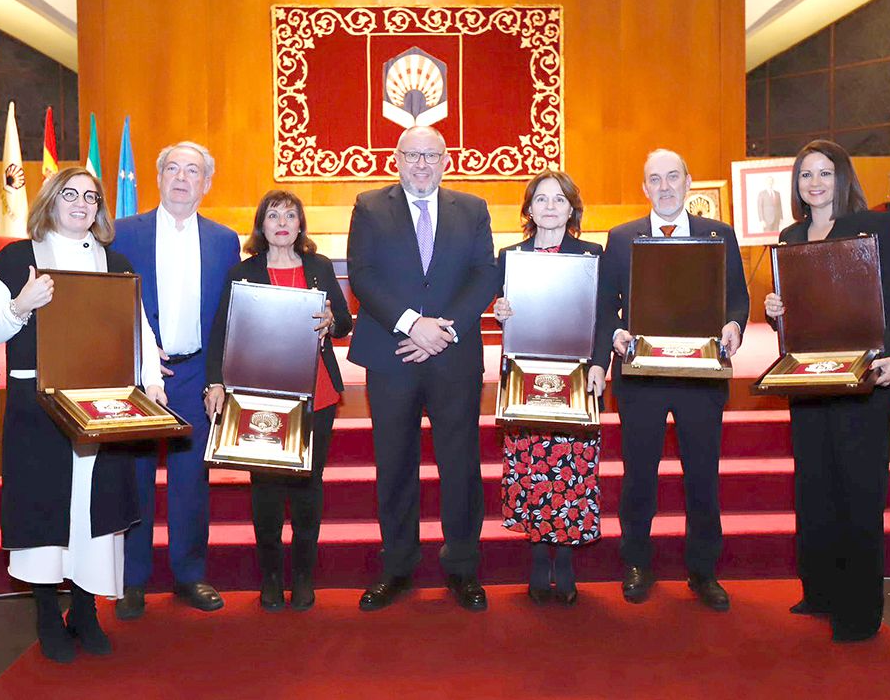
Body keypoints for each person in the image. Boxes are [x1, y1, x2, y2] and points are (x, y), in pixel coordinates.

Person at [0, 166, 165, 663]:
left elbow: (137, 328)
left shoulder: (115, 261)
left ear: (100, 208)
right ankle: (46, 616)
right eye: (70, 195)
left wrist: (154, 383)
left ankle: (84, 612)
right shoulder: (17, 260)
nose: (81, 204)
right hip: (37, 408)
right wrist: (22, 305)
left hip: (102, 407)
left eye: (90, 196)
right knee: (44, 507)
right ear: (51, 201)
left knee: (93, 510)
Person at [763, 139, 890, 643]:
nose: (815, 182)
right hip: (810, 383)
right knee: (816, 492)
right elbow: (798, 314)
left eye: (824, 173)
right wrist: (775, 312)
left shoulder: (874, 227)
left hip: (863, 381)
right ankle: (821, 591)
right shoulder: (791, 235)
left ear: (841, 178)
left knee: (858, 494)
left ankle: (859, 610)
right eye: (806, 174)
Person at [347, 125, 498, 612]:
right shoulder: (370, 206)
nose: (421, 164)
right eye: (412, 154)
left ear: (446, 159)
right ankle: (397, 566)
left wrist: (442, 331)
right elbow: (363, 274)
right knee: (394, 462)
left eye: (431, 155)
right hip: (391, 355)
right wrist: (413, 325)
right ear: (396, 158)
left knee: (460, 463)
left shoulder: (471, 209)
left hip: (454, 355)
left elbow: (484, 274)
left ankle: (462, 568)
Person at [595, 148, 749, 611]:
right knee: (639, 474)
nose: (664, 187)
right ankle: (637, 563)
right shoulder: (622, 238)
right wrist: (616, 333)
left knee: (702, 475)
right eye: (654, 179)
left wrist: (734, 327)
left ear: (688, 182)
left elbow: (737, 298)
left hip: (700, 374)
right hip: (641, 374)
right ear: (644, 188)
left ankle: (703, 570)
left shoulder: (718, 234)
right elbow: (604, 305)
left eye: (672, 177)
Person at [110, 141, 241, 619]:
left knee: (192, 480)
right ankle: (132, 580)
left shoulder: (225, 240)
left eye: (193, 171)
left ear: (206, 184)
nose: (182, 178)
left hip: (196, 375)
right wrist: (137, 354)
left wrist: (219, 378)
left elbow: (229, 316)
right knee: (137, 476)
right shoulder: (123, 234)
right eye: (172, 168)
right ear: (158, 177)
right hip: (141, 375)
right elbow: (109, 304)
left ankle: (190, 574)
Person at [205, 190, 352, 611]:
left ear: (301, 224)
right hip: (260, 397)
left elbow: (342, 323)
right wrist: (214, 382)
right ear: (262, 225)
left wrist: (331, 320)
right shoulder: (243, 272)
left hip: (316, 392)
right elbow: (222, 331)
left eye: (291, 215)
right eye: (274, 215)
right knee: (266, 489)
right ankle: (271, 577)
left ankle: (304, 577)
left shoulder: (319, 268)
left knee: (309, 486)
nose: (283, 222)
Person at [492, 170, 604, 604]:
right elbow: (500, 308)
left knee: (572, 467)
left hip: (576, 376)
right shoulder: (511, 256)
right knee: (532, 468)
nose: (551, 207)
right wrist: (500, 308)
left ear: (572, 208)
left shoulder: (592, 254)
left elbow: (604, 315)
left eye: (560, 200)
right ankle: (540, 556)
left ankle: (567, 560)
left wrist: (599, 364)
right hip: (526, 377)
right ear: (529, 208)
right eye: (542, 199)